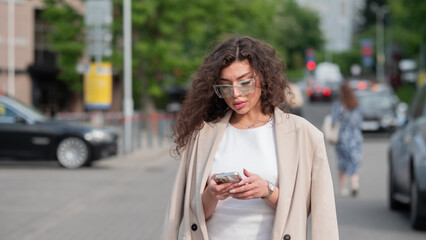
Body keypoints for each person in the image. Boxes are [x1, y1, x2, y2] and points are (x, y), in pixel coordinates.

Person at [162, 36, 339, 240]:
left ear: (263, 78)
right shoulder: (202, 136)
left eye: (245, 83)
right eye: (225, 86)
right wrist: (211, 194)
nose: (235, 94)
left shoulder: (304, 135)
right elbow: (184, 215)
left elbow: (318, 213)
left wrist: (267, 191)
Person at [331, 82, 363, 197]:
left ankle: (343, 188)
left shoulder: (339, 106)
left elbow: (334, 121)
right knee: (354, 161)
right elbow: (360, 121)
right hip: (355, 137)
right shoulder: (356, 106)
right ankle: (355, 184)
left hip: (342, 137)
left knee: (342, 162)